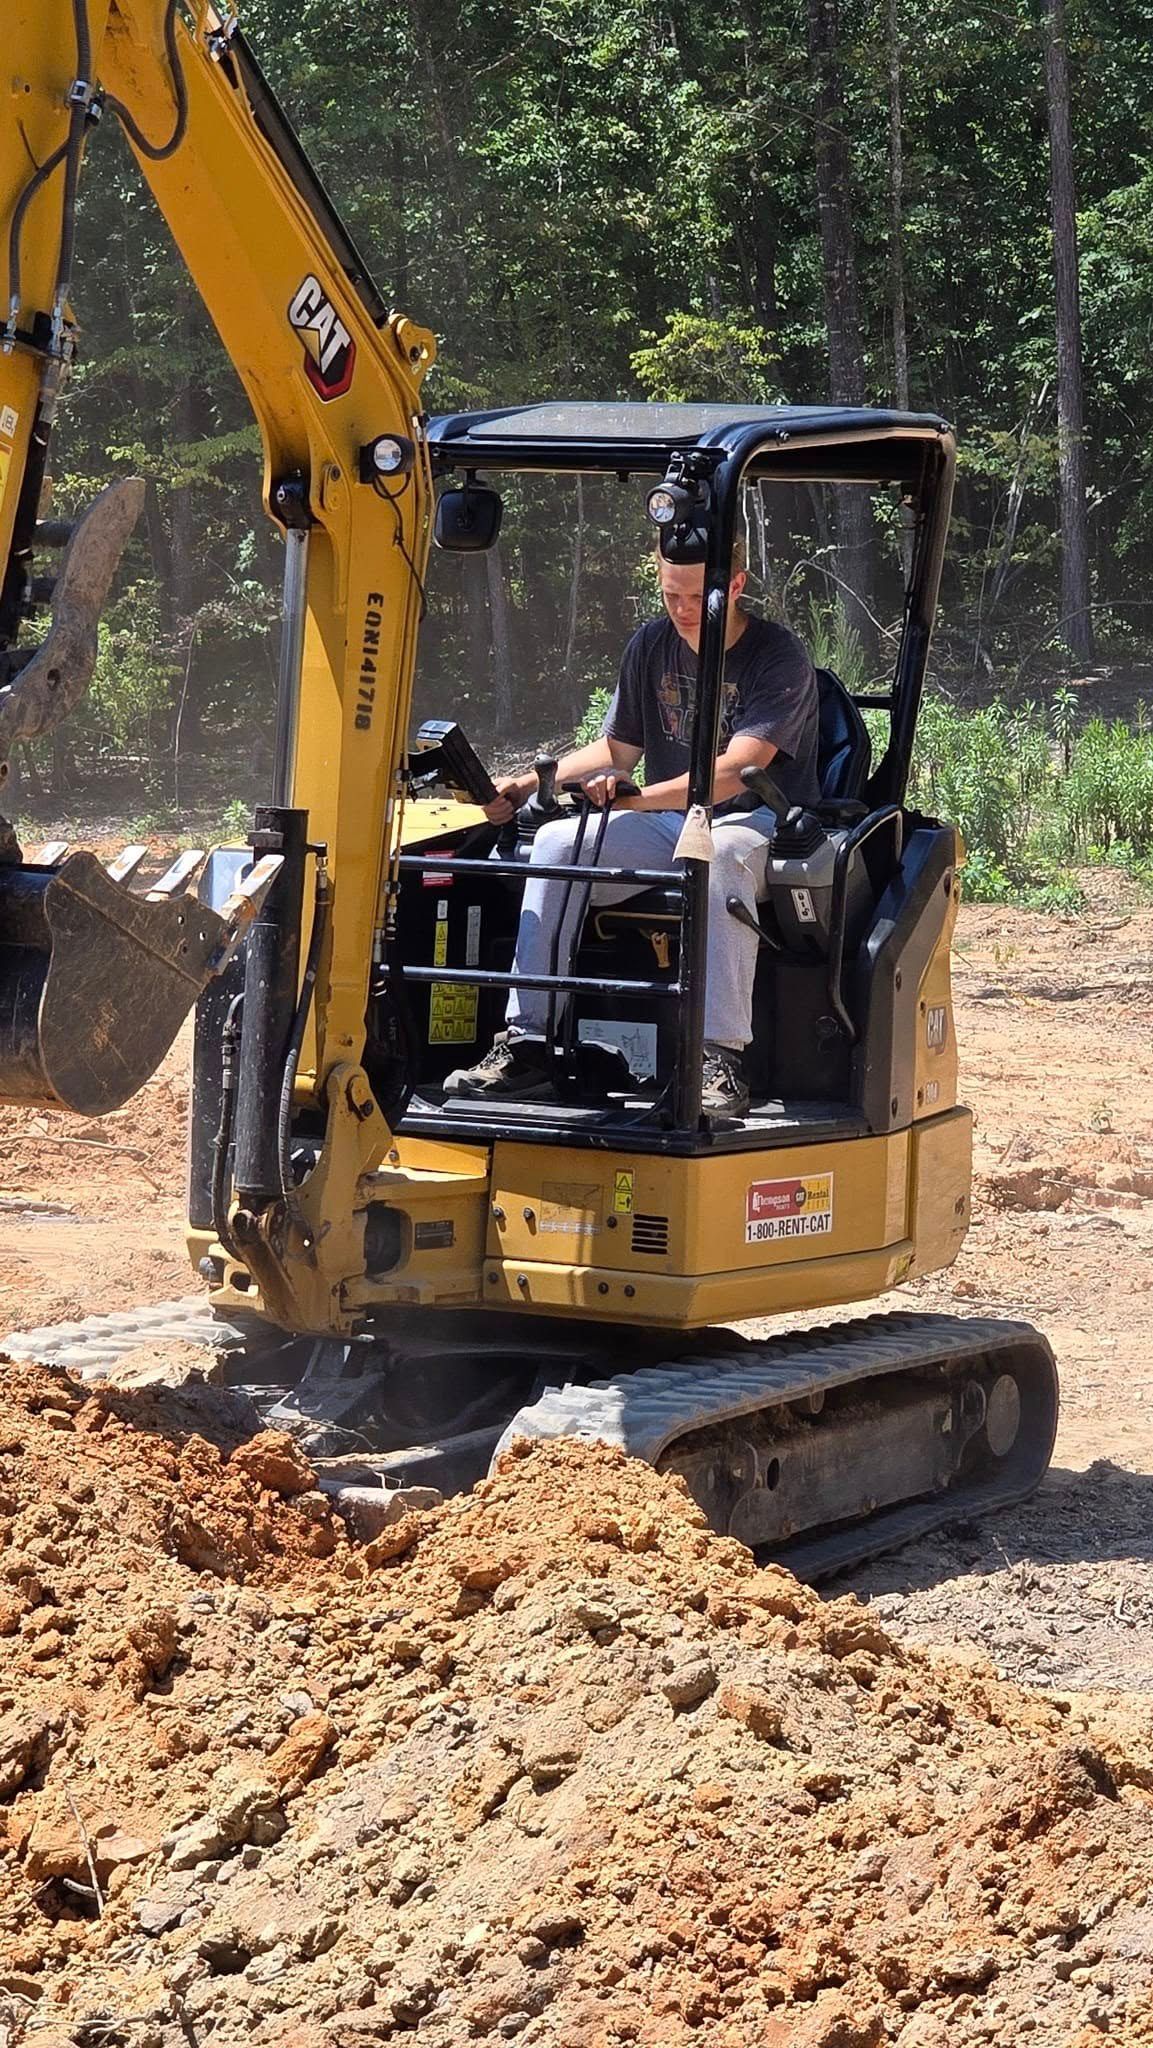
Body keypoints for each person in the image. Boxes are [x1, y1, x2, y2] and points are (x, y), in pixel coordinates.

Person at [447, 543, 820, 1117]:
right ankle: (529, 1045)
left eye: (698, 597)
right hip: (668, 817)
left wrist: (637, 798)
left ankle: (718, 1058)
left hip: (758, 818)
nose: (684, 609)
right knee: (553, 843)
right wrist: (523, 785)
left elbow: (734, 771)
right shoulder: (651, 645)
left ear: (737, 585)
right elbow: (617, 748)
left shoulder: (777, 655)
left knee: (717, 854)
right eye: (672, 594)